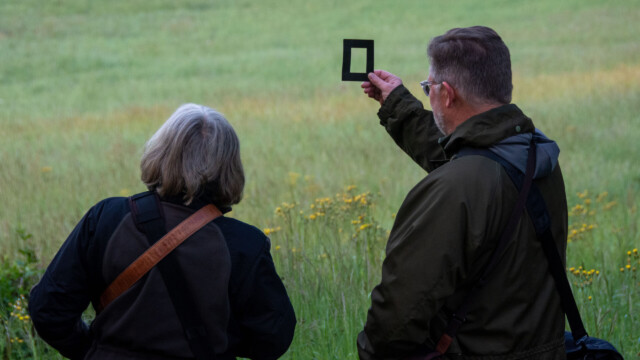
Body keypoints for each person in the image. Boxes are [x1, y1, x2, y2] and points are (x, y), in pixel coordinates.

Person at [357, 26, 568, 359]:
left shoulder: (456, 189)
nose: (428, 94)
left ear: (448, 95)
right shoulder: (533, 157)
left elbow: (397, 318)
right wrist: (398, 104)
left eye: (428, 88)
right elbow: (470, 155)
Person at [29, 103, 296, 359]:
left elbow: (48, 311)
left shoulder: (105, 219)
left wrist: (92, 351)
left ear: (160, 153)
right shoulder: (244, 244)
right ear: (229, 166)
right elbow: (273, 339)